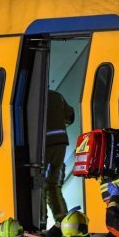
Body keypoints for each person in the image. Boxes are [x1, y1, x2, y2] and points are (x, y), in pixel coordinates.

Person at [45, 89, 75, 224]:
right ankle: (63, 220)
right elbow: (70, 116)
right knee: (54, 184)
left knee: (40, 185)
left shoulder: (32, 96)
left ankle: (40, 222)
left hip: (44, 144)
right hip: (60, 142)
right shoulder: (57, 96)